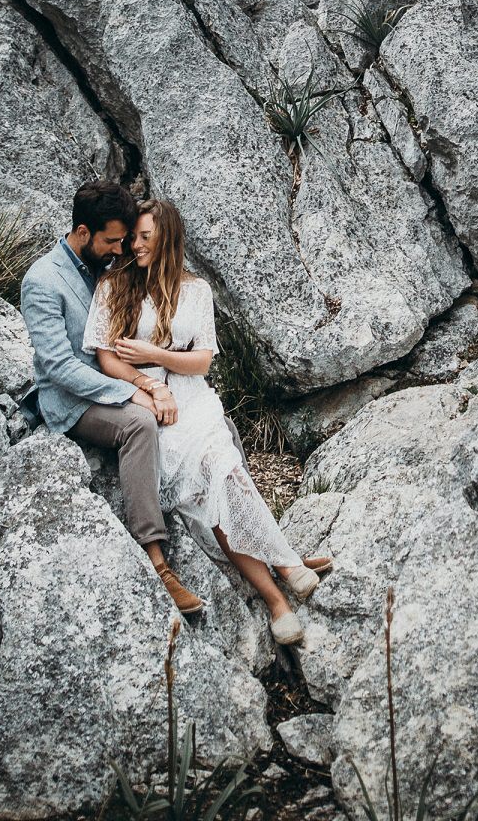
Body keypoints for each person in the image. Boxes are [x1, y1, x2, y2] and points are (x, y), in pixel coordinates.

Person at [87, 198, 332, 646]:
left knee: (223, 471)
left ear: (167, 239)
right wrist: (149, 382)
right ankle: (284, 574)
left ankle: (280, 594)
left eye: (145, 237)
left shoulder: (195, 290)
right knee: (211, 491)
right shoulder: (113, 286)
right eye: (133, 237)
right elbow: (107, 359)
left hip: (194, 400)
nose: (135, 245)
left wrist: (155, 354)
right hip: (152, 406)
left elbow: (202, 361)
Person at [19, 179, 205, 616]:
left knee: (208, 417)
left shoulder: (107, 265)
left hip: (125, 377)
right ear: (83, 232)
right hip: (73, 400)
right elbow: (59, 368)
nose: (120, 250)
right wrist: (135, 392)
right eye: (112, 241)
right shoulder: (42, 281)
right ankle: (157, 560)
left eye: (124, 241)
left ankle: (267, 546)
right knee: (140, 424)